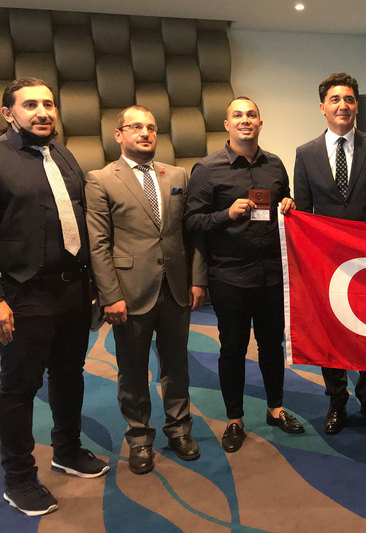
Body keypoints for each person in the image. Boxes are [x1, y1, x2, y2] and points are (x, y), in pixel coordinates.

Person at [0, 77, 108, 516]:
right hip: (23, 292)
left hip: (72, 289)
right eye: (30, 105)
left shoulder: (62, 154)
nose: (43, 112)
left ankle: (66, 449)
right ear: (9, 114)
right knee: (18, 387)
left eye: (48, 104)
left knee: (69, 373)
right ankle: (19, 477)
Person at [85, 105, 206, 475]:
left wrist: (198, 279)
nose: (145, 133)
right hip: (129, 292)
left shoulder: (177, 174)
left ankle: (179, 428)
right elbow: (98, 244)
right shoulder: (101, 179)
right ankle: (139, 437)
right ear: (118, 135)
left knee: (177, 365)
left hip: (176, 289)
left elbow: (191, 234)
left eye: (151, 127)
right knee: (132, 369)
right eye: (135, 127)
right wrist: (110, 295)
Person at [185, 97, 305, 454]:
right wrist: (227, 214)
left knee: (273, 346)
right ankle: (234, 419)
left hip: (271, 275)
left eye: (251, 115)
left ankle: (276, 409)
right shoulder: (207, 169)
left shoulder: (275, 165)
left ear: (260, 123)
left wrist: (290, 205)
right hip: (230, 276)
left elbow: (284, 205)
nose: (245, 120)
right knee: (233, 349)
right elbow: (192, 222)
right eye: (237, 115)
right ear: (227, 125)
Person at [294, 72, 366, 434]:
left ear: (357, 107)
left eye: (349, 99)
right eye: (335, 100)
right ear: (322, 107)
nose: (343, 106)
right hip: (326, 263)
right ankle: (336, 399)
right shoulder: (305, 154)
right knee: (331, 332)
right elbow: (304, 214)